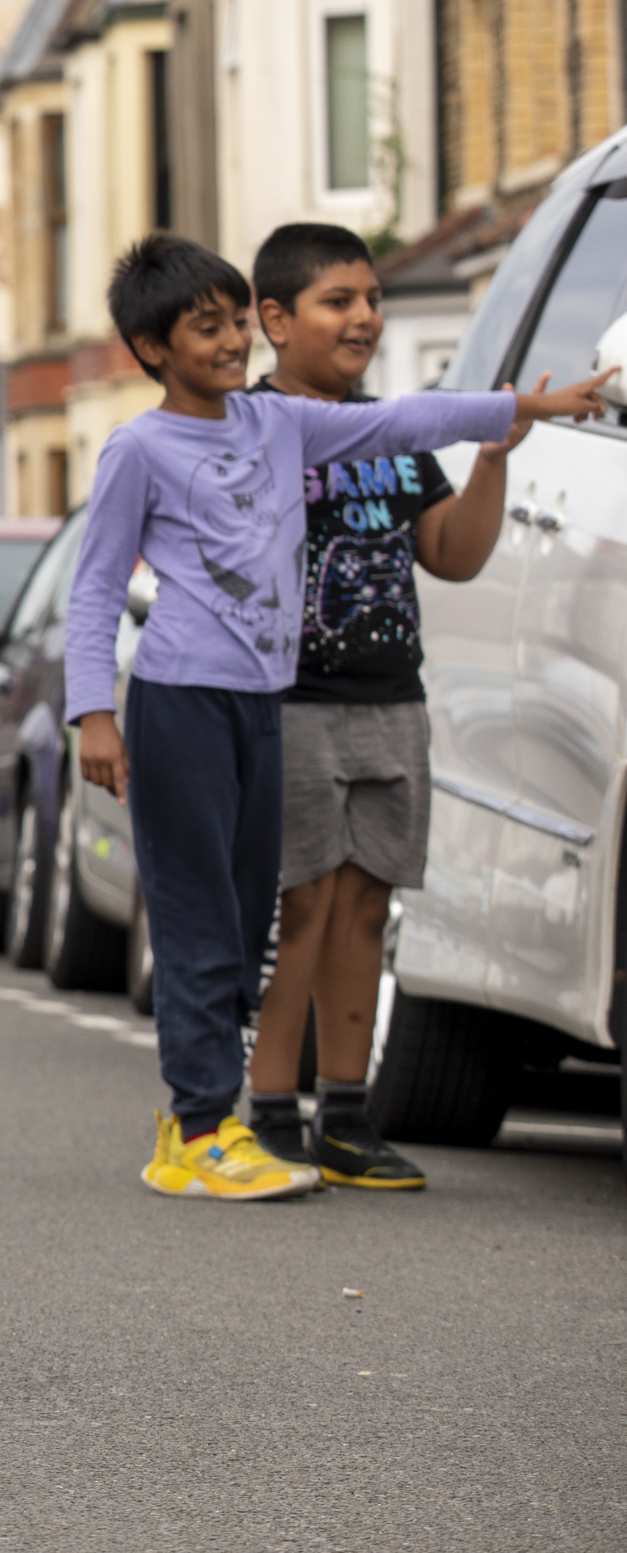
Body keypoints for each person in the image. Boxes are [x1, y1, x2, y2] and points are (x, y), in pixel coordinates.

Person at [62, 233, 609, 1200]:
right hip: (183, 698)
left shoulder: (281, 430)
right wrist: (92, 715)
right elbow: (97, 586)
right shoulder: (139, 448)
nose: (234, 341)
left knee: (241, 919)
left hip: (264, 706)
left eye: (235, 321)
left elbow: (407, 419)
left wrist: (523, 410)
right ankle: (204, 1127)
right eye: (210, 327)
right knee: (202, 919)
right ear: (153, 348)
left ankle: (214, 1122)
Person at [240, 222, 533, 1189]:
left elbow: (450, 552)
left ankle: (347, 1113)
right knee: (304, 901)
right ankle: (271, 1110)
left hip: (390, 700)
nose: (364, 316)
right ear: (276, 320)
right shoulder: (251, 428)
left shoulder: (394, 437)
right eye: (339, 301)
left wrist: (492, 455)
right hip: (292, 702)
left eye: (372, 299)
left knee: (366, 905)